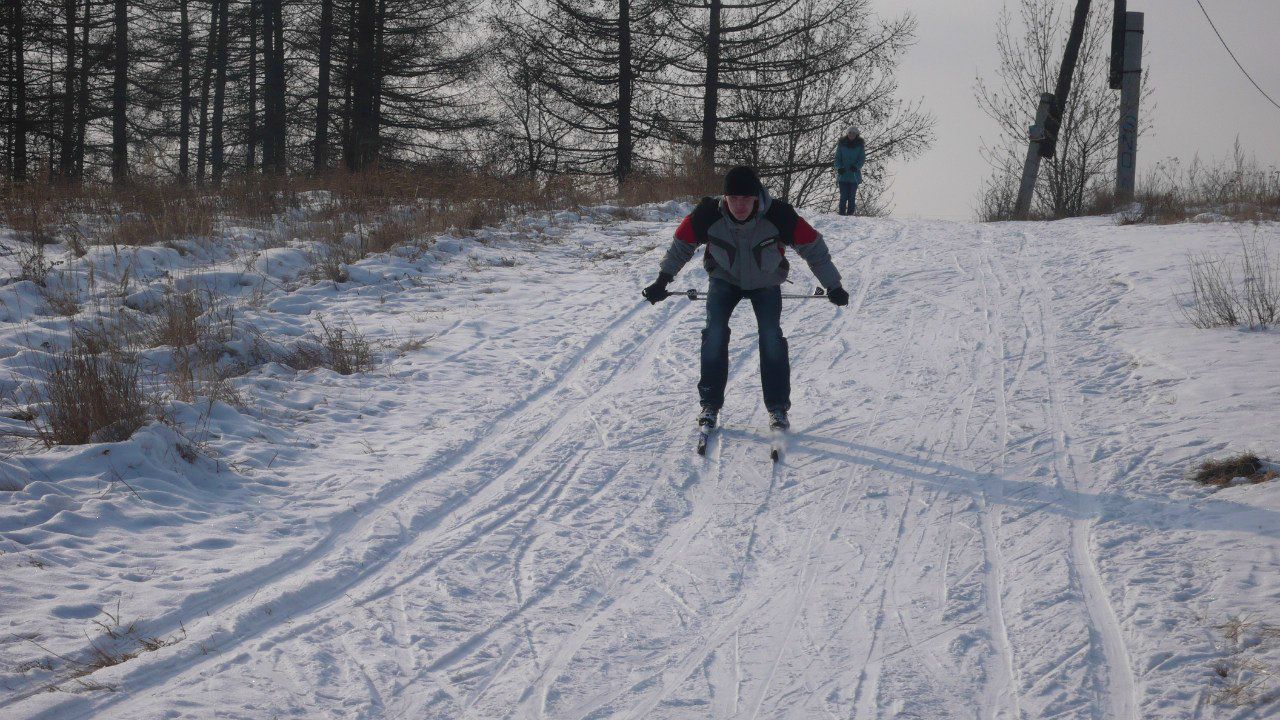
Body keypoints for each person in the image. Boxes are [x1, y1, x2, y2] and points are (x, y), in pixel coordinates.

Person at [641, 166, 849, 434]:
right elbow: (681, 245)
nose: (739, 205)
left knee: (771, 336)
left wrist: (833, 285)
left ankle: (777, 408)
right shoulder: (707, 214)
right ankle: (709, 404)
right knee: (714, 332)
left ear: (756, 197)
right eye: (733, 199)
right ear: (725, 198)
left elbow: (814, 247)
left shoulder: (779, 215)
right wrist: (662, 281)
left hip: (766, 281)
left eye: (745, 199)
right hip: (724, 279)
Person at [834, 127, 865, 216]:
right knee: (843, 196)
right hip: (843, 175)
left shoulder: (860, 146)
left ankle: (850, 215)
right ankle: (841, 214)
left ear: (856, 135)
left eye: (854, 133)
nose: (851, 135)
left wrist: (856, 167)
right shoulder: (841, 145)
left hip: (854, 176)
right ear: (847, 134)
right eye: (850, 133)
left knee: (852, 197)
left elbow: (862, 159)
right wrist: (839, 168)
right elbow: (837, 159)